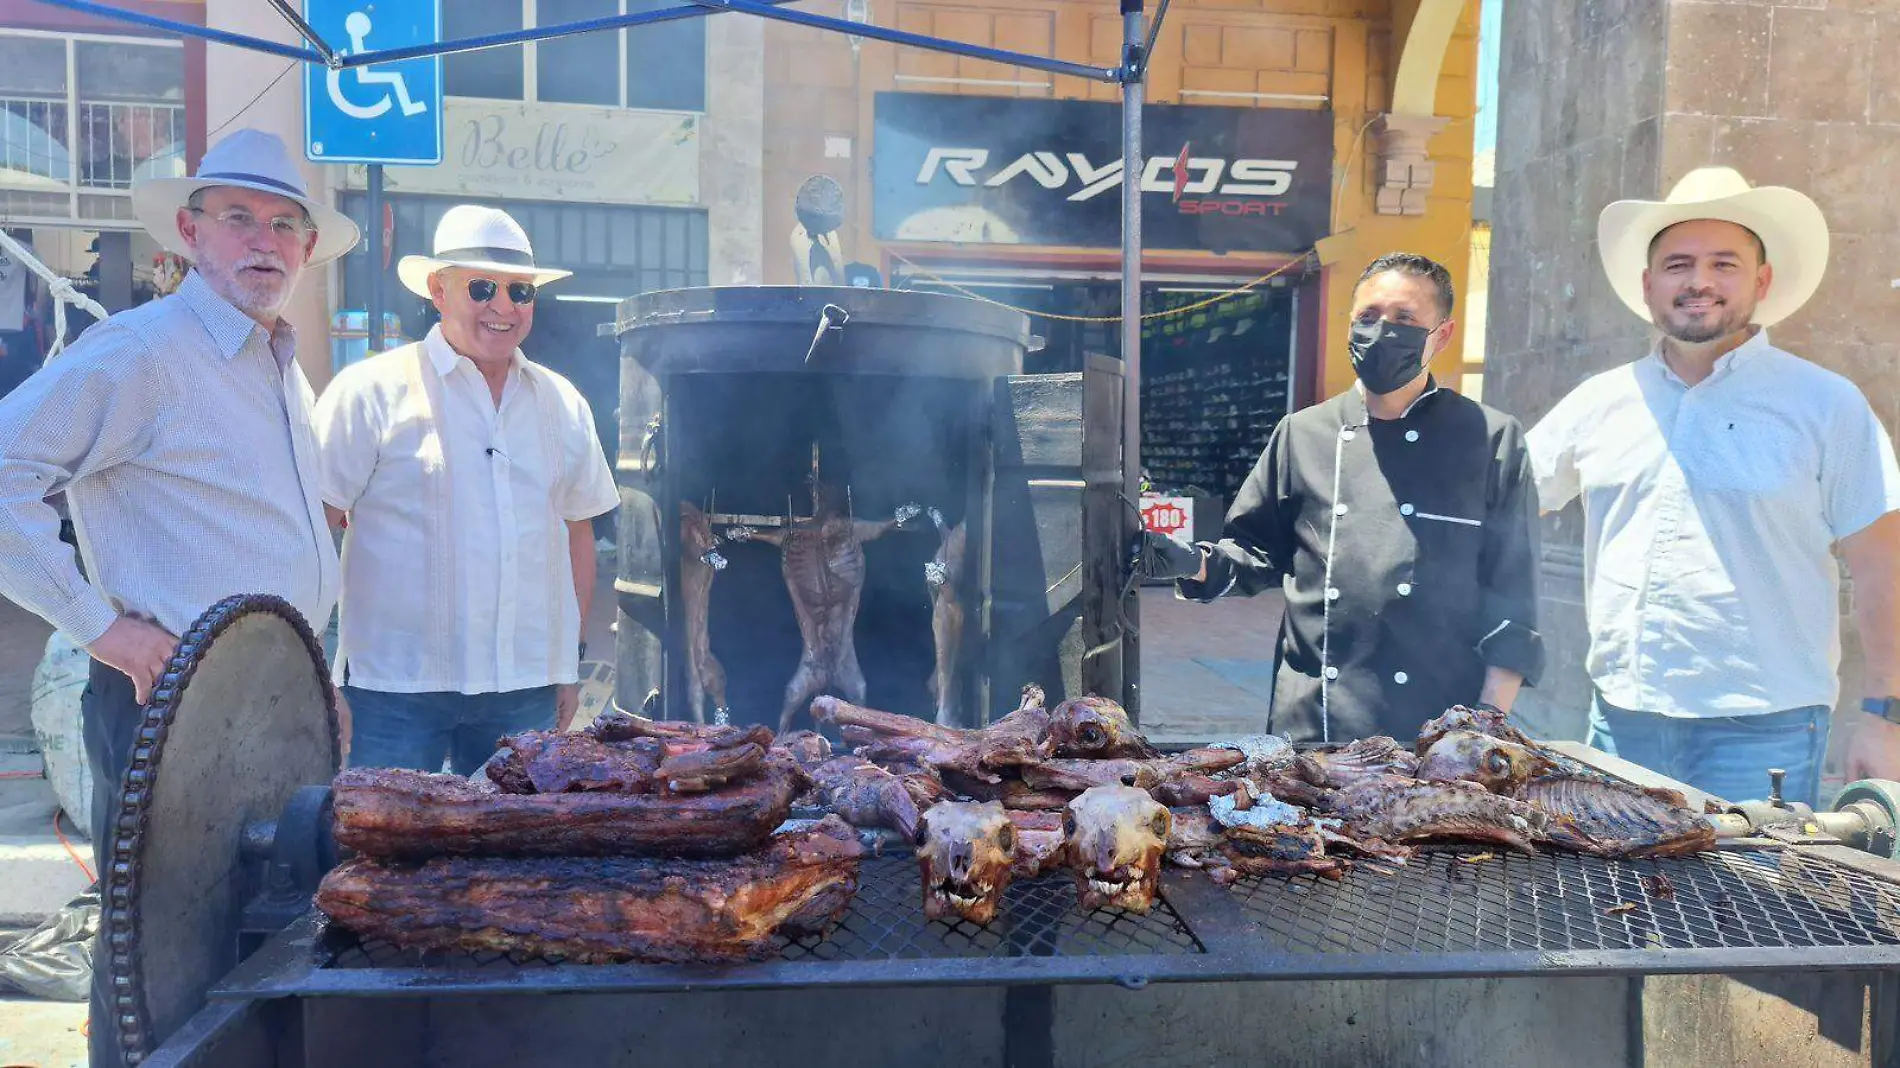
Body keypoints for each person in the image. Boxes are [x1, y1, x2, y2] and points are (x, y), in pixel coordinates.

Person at [0, 127, 358, 1066]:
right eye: (239, 217)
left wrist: (322, 684)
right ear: (191, 233)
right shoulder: (142, 353)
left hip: (269, 706)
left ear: (308, 250)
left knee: (249, 942)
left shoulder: (282, 369)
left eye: (286, 224)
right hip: (165, 705)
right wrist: (103, 628)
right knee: (152, 966)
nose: (265, 240)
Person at [1527, 167, 1900, 806]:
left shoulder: (1826, 405)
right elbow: (1501, 503)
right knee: (1615, 907)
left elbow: (1882, 565)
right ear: (1649, 287)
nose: (1698, 281)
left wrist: (1885, 717)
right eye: (1678, 264)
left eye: (1723, 263)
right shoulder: (1599, 403)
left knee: (1758, 905)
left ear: (1761, 281)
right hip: (1621, 724)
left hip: (1766, 731)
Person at [1138, 252, 1543, 744]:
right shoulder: (1303, 433)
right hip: (1310, 726)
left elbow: (1513, 603)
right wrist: (1189, 561)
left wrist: (1482, 729)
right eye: (1368, 317)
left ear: (1442, 334)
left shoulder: (1491, 440)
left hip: (1435, 734)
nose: (1381, 332)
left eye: (1405, 319)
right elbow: (1255, 552)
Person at [314, 205, 619, 775]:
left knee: (513, 860)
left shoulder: (563, 404)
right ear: (438, 288)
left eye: (520, 291)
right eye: (482, 287)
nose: (503, 307)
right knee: (388, 857)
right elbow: (314, 531)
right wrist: (312, 668)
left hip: (523, 688)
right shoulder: (369, 392)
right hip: (393, 690)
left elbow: (578, 532)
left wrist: (568, 660)